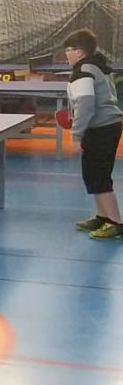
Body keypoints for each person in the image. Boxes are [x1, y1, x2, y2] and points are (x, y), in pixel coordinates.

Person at [63, 29, 123, 239]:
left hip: (100, 129)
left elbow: (86, 104)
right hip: (107, 126)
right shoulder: (97, 65)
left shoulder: (83, 71)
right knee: (93, 175)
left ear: (79, 52)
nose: (66, 55)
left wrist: (76, 135)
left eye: (68, 50)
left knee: (98, 176)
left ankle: (116, 223)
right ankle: (102, 217)